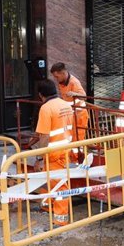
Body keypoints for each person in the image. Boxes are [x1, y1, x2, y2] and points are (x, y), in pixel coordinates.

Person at [34, 79, 75, 226]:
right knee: (53, 180)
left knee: (59, 185)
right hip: (65, 149)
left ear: (40, 94)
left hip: (54, 152)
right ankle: (48, 205)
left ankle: (61, 218)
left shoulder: (46, 108)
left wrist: (39, 157)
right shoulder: (65, 104)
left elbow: (44, 136)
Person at [50, 62, 89, 155]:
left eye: (57, 77)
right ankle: (72, 157)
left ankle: (78, 159)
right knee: (70, 137)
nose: (56, 79)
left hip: (79, 115)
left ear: (63, 73)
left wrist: (75, 94)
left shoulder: (73, 82)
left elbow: (84, 96)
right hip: (70, 115)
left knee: (78, 139)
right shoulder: (62, 82)